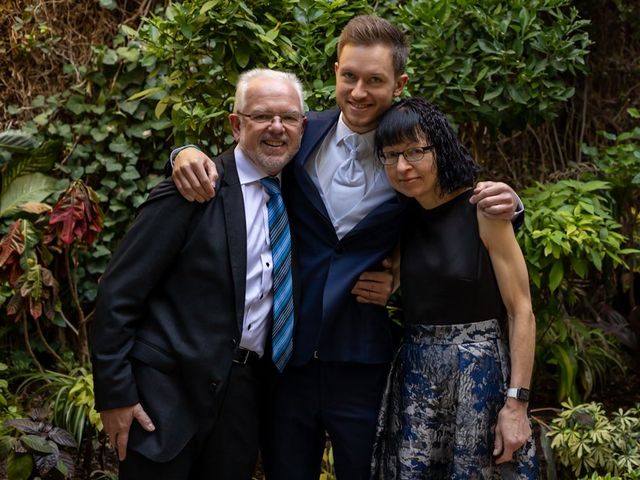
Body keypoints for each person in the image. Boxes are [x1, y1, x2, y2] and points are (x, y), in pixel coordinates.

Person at [168, 16, 522, 479]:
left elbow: (453, 213)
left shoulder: (412, 158)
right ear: (335, 71)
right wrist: (184, 153)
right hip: (288, 358)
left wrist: (513, 206)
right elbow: (239, 161)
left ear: (399, 84)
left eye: (375, 80)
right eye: (349, 76)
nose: (358, 92)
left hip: (363, 361)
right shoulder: (297, 132)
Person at [91, 68, 307, 479]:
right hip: (164, 399)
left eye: (288, 118)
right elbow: (118, 293)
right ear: (235, 123)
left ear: (302, 126)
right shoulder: (193, 188)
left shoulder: (299, 194)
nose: (276, 128)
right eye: (261, 116)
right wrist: (115, 394)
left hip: (242, 400)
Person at [370, 97, 538, 478]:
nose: (402, 166)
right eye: (392, 154)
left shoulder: (482, 209)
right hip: (415, 378)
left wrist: (517, 404)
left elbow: (521, 310)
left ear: (440, 148)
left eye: (415, 151)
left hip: (479, 378)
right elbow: (393, 281)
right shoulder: (401, 217)